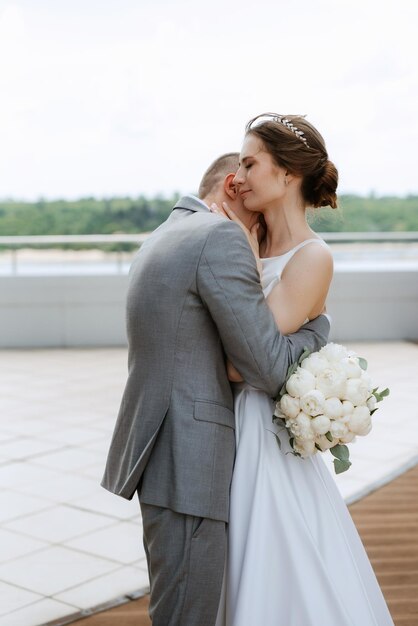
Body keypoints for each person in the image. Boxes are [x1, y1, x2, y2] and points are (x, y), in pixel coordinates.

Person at [101, 152, 330, 626]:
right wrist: (317, 329)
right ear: (232, 187)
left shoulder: (167, 233)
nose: (262, 236)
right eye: (259, 224)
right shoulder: (220, 235)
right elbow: (265, 366)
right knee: (189, 614)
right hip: (190, 457)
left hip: (166, 447)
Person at [213, 114, 394, 626]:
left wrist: (245, 256)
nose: (240, 174)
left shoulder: (312, 257)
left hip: (261, 432)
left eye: (250, 163)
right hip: (222, 424)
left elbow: (249, 359)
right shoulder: (241, 236)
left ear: (288, 174)